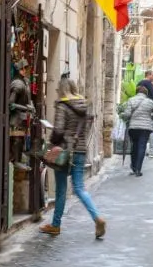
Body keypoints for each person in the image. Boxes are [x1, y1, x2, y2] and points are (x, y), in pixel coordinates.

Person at [40, 77, 106, 239]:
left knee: (61, 189)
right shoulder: (83, 104)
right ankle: (96, 217)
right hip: (80, 150)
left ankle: (55, 225)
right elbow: (86, 127)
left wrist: (52, 141)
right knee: (79, 188)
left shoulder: (62, 105)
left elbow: (59, 130)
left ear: (62, 90)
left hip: (64, 151)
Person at [123, 86, 153, 176]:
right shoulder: (150, 101)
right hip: (145, 128)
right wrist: (151, 118)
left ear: (136, 92)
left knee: (134, 146)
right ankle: (138, 169)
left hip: (133, 127)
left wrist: (124, 116)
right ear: (146, 94)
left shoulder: (131, 100)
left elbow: (127, 114)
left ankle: (134, 167)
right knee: (142, 147)